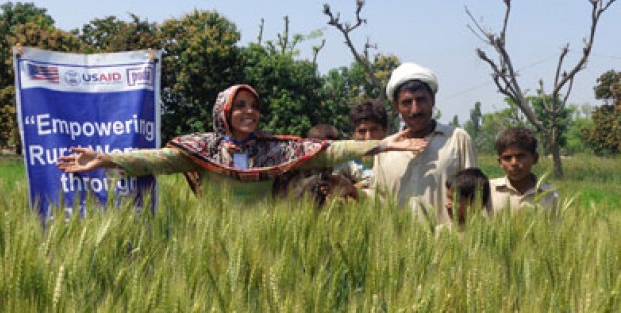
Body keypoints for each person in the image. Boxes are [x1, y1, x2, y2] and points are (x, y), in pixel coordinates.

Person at [57, 84, 415, 203]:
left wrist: (382, 145)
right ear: (223, 112)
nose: (249, 112)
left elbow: (329, 150)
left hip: (270, 250)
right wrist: (103, 158)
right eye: (240, 106)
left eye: (254, 106)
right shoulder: (204, 150)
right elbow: (157, 160)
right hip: (216, 251)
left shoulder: (277, 149)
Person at [372, 62, 478, 223]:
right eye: (407, 103)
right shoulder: (385, 148)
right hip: (396, 244)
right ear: (396, 106)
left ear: (433, 100)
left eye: (421, 100)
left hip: (448, 242)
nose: (415, 110)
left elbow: (474, 194)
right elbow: (378, 200)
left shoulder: (457, 139)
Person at [489, 127, 559, 213]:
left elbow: (556, 226)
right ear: (500, 162)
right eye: (507, 158)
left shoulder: (550, 195)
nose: (514, 163)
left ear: (535, 158)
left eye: (520, 156)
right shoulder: (488, 191)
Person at [335, 100, 389, 190]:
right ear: (353, 134)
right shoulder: (346, 162)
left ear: (385, 130)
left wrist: (358, 186)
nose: (368, 137)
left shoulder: (395, 158)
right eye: (362, 131)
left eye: (374, 130)